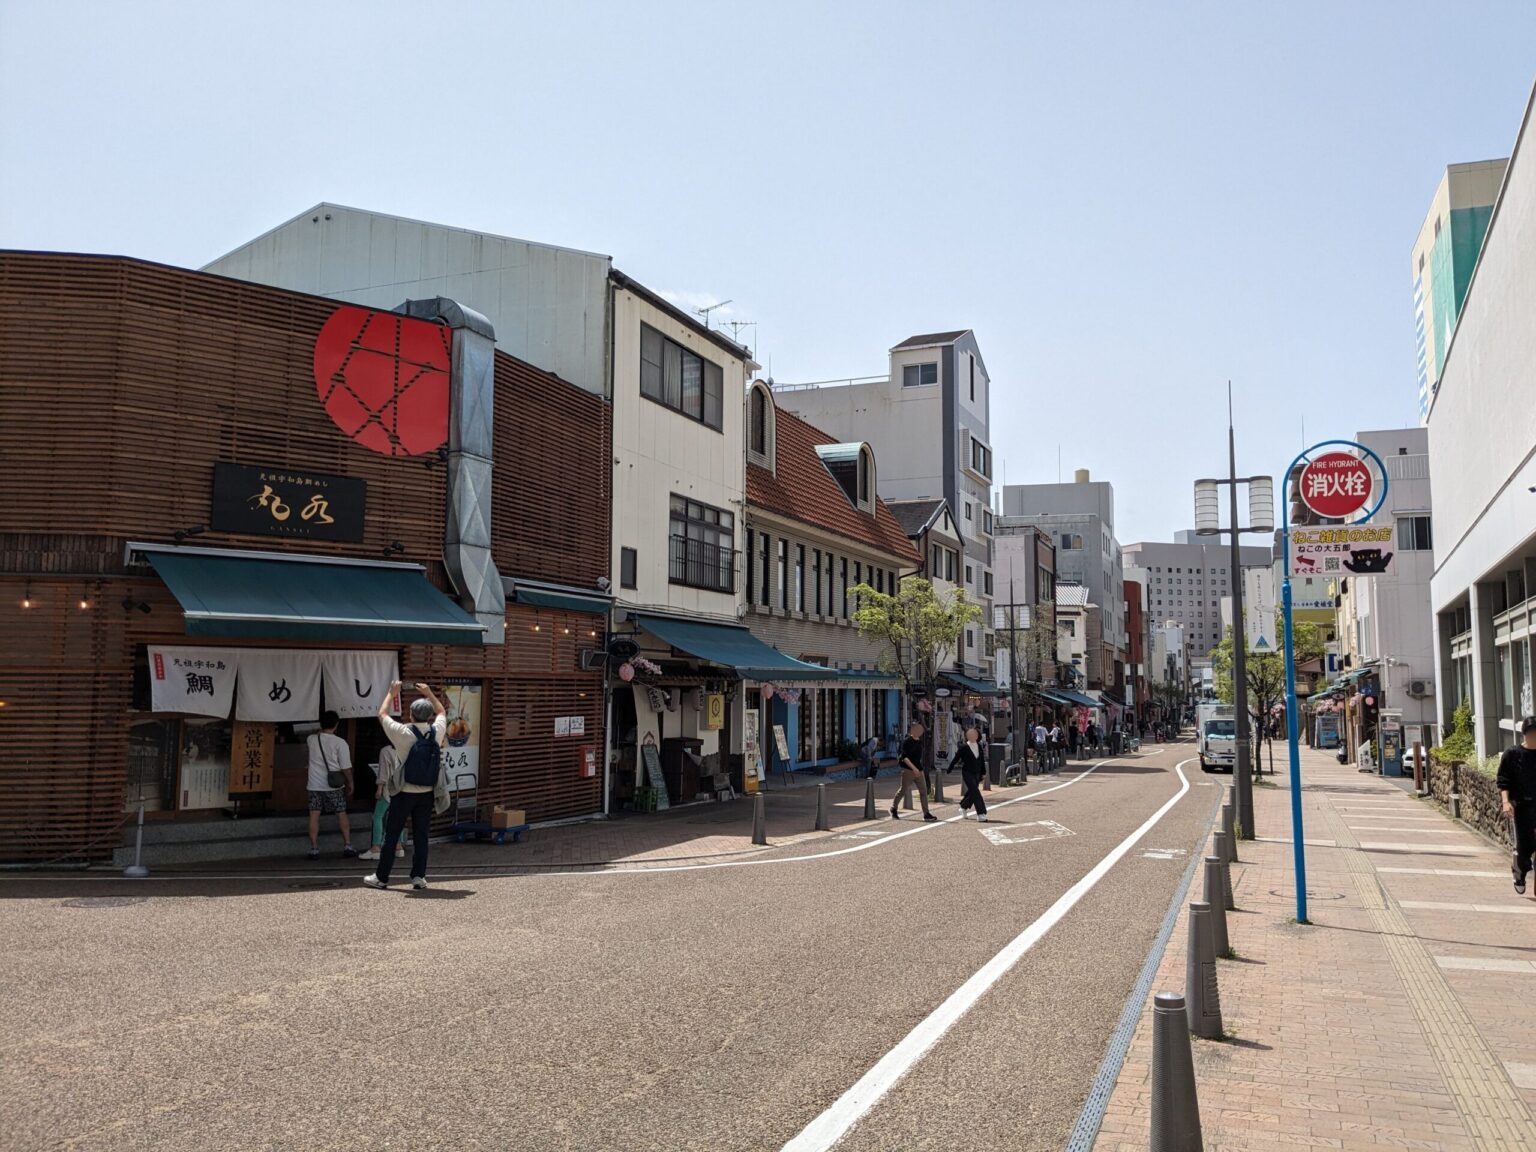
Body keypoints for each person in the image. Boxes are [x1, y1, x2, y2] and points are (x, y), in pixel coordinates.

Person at [363, 682, 451, 891]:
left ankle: (382, 877)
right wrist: (428, 692)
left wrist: (392, 692)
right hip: (427, 793)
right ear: (428, 715)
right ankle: (419, 877)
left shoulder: (403, 733)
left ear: (411, 715)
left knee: (392, 833)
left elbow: (382, 714)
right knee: (421, 835)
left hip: (404, 792)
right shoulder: (436, 732)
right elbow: (442, 711)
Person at [306, 710, 358, 861]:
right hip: (334, 785)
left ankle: (314, 848)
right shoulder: (340, 743)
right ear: (336, 724)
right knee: (341, 812)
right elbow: (345, 767)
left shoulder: (311, 739)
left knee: (314, 815)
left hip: (314, 784)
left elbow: (315, 734)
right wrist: (351, 782)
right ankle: (347, 844)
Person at [1497, 715, 1536, 897]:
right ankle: (1519, 872)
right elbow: (1504, 781)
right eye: (1531, 733)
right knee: (1523, 846)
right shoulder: (1512, 754)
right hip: (1522, 806)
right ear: (1524, 734)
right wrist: (1506, 802)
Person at [359, 743, 405, 862]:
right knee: (397, 817)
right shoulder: (405, 748)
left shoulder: (385, 751)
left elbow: (383, 773)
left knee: (377, 817)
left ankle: (376, 848)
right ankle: (398, 846)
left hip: (388, 789)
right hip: (402, 789)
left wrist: (379, 789)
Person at [891, 721, 937, 822]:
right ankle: (893, 808)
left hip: (919, 770)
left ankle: (926, 813)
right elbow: (904, 757)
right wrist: (914, 768)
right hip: (908, 770)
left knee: (924, 792)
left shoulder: (920, 742)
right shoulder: (907, 742)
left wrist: (919, 769)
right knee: (903, 790)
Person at [952, 726, 988, 822]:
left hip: (977, 772)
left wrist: (983, 772)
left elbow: (981, 760)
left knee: (973, 791)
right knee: (975, 792)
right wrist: (950, 768)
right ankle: (981, 813)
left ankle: (963, 807)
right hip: (967, 772)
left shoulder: (979, 746)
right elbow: (956, 758)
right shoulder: (964, 747)